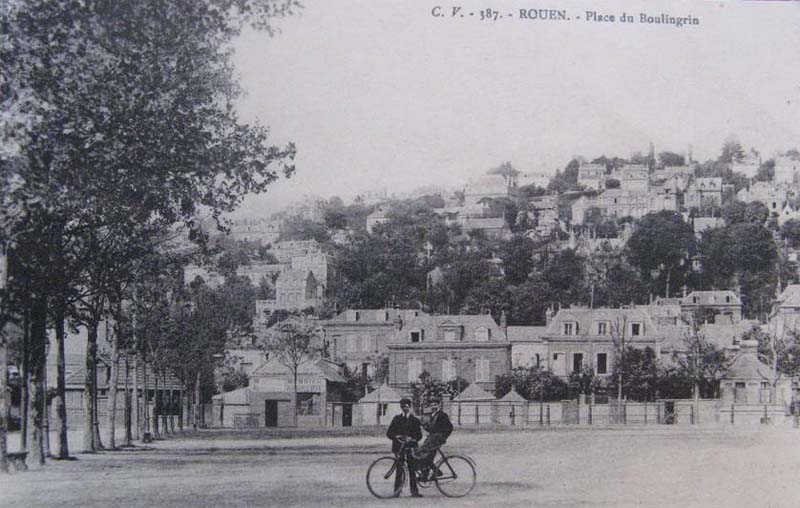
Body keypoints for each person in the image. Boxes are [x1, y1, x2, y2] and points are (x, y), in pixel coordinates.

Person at [386, 397, 423, 497]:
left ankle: (414, 492)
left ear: (410, 407)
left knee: (412, 469)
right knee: (399, 469)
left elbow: (419, 435)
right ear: (401, 407)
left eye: (407, 406)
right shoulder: (397, 419)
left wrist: (412, 438)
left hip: (411, 447)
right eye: (403, 406)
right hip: (399, 448)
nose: (405, 408)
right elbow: (389, 433)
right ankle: (397, 492)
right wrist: (396, 436)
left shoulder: (414, 420)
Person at [413, 396, 453, 482]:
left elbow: (450, 427)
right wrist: (424, 426)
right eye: (432, 405)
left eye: (435, 405)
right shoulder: (432, 415)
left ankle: (435, 472)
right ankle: (427, 475)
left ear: (439, 405)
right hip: (431, 439)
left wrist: (443, 437)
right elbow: (431, 429)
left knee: (425, 455)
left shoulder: (442, 415)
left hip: (436, 440)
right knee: (427, 458)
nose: (434, 407)